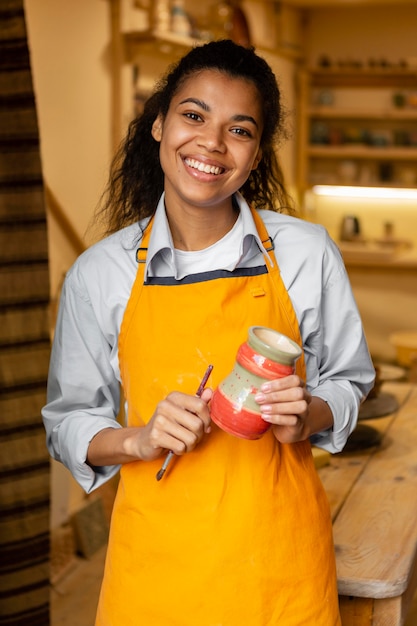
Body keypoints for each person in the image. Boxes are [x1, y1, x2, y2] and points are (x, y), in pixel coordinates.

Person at [42, 39, 375, 625]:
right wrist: (139, 439)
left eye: (239, 129)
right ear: (158, 125)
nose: (212, 144)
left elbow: (349, 380)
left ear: (257, 153)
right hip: (156, 566)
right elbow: (70, 421)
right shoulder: (101, 272)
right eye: (194, 116)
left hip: (280, 567)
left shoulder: (305, 253)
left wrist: (309, 415)